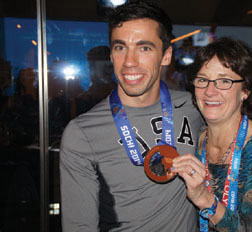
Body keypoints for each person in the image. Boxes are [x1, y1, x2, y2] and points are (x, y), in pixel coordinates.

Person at [59, 1, 203, 231]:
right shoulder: (82, 133)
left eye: (144, 48)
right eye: (120, 47)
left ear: (166, 56)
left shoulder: (195, 107)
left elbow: (235, 134)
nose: (129, 62)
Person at [172, 38, 252, 231]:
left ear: (245, 90)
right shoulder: (192, 137)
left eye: (224, 81)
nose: (210, 91)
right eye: (203, 80)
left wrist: (205, 199)